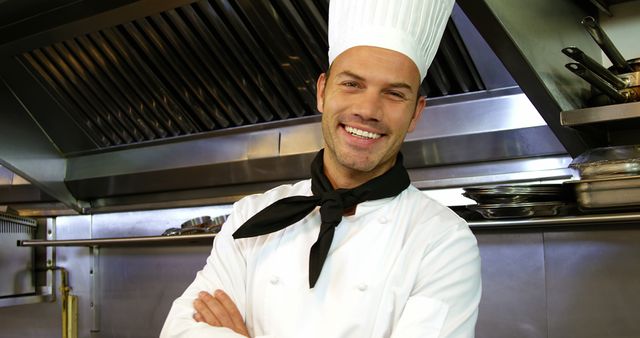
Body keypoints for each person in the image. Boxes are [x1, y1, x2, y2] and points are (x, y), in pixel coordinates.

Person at [160, 0, 481, 337]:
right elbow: (180, 331)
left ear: (416, 113)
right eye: (352, 84)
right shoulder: (253, 215)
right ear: (322, 92)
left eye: (394, 93)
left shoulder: (443, 242)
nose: (368, 109)